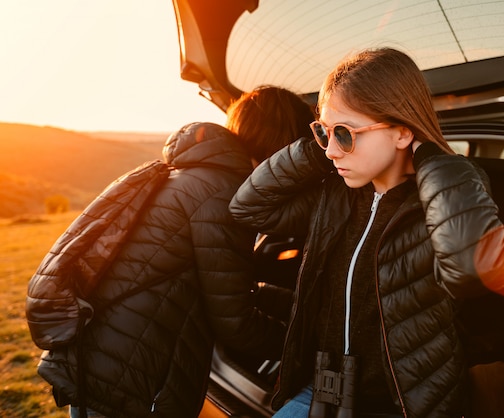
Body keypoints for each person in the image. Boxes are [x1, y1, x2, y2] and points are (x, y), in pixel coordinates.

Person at [229, 48, 504, 418]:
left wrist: (433, 160)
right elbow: (248, 207)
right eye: (323, 131)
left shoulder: (440, 198)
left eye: (346, 135)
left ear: (402, 132)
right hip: (322, 395)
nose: (333, 150)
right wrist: (319, 149)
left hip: (401, 404)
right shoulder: (336, 197)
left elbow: (475, 269)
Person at [36, 85, 314, 418]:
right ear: (282, 144)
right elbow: (236, 322)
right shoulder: (222, 193)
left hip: (100, 361)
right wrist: (312, 347)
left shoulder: (192, 175)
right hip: (130, 378)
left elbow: (231, 286)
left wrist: (300, 307)